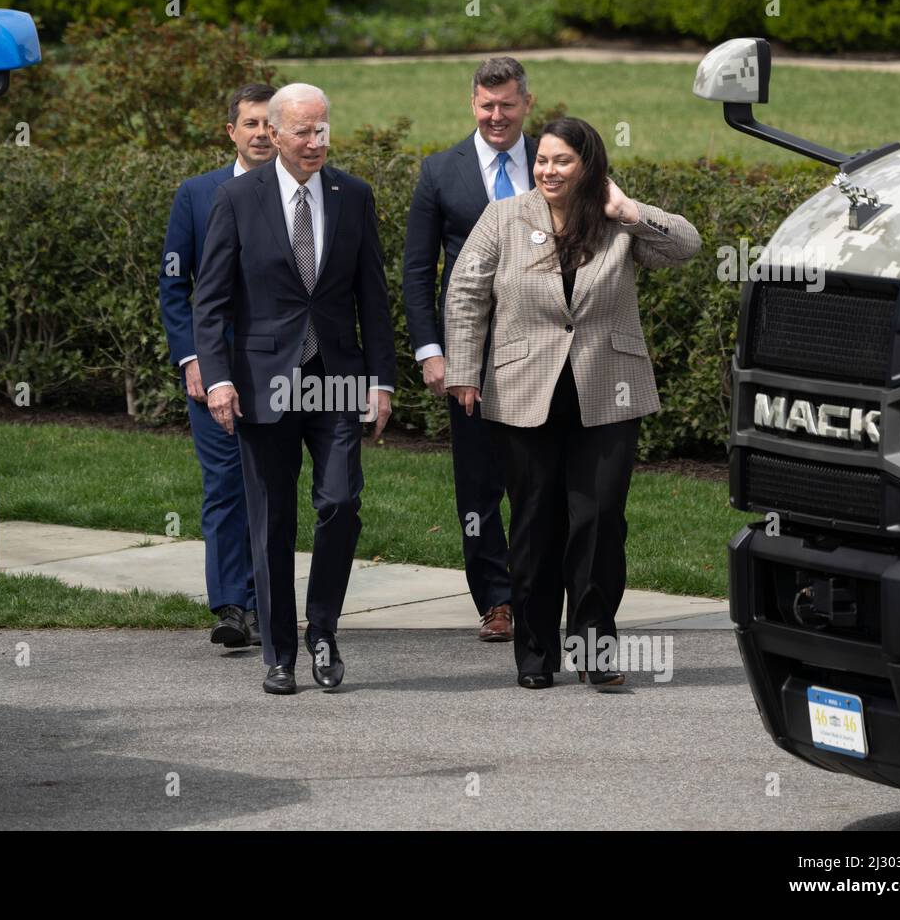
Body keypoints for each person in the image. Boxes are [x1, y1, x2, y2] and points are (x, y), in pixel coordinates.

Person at [443, 117, 700, 690]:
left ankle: (596, 649)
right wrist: (462, 369)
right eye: (542, 160)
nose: (548, 170)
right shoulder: (505, 217)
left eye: (562, 161)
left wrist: (629, 210)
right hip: (522, 394)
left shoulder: (615, 221)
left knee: (600, 519)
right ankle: (535, 654)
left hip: (607, 393)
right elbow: (465, 292)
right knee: (535, 523)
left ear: (588, 165)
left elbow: (686, 245)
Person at [192, 83, 397, 695]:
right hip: (262, 382)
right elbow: (211, 299)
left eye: (322, 130)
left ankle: (325, 632)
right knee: (271, 518)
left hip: (334, 377)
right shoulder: (236, 198)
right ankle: (279, 651)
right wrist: (220, 378)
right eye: (303, 132)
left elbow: (373, 299)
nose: (315, 142)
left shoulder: (353, 196)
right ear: (274, 135)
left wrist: (381, 381)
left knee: (338, 503)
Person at [402, 57, 538, 643]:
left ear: (526, 104)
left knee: (538, 479)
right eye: (486, 105)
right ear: (472, 104)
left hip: (542, 353)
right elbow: (415, 270)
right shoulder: (440, 171)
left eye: (507, 104)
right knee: (479, 484)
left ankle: (538, 590)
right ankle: (496, 600)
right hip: (470, 357)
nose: (496, 116)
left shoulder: (555, 160)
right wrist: (432, 351)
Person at [158, 82, 276, 650]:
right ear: (231, 131)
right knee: (227, 484)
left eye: (268, 123)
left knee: (272, 487)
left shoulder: (303, 194)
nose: (259, 133)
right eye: (249, 123)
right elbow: (175, 286)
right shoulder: (197, 195)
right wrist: (193, 359)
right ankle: (232, 606)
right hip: (215, 369)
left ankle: (268, 602)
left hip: (281, 369)